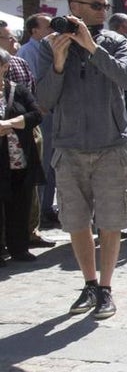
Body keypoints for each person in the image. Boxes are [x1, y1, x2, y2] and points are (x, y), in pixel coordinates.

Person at [35, 0, 127, 319]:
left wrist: (93, 48)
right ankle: (89, 283)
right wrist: (60, 63)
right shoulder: (49, 47)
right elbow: (43, 101)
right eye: (96, 6)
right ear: (74, 6)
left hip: (110, 145)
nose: (103, 11)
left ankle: (106, 288)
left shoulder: (115, 42)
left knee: (110, 220)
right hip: (69, 146)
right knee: (76, 221)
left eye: (105, 6)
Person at [0, 47, 45, 263]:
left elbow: (36, 114)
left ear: (6, 67)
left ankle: (19, 248)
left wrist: (10, 124)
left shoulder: (17, 91)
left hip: (19, 157)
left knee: (20, 203)